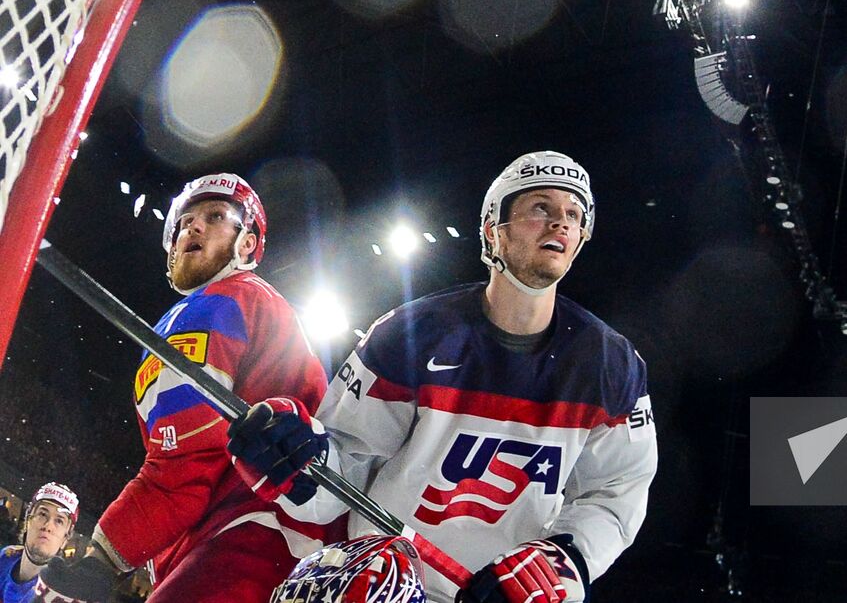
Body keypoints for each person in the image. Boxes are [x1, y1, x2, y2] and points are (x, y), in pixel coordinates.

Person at [228, 151, 658, 603]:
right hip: (387, 586)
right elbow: (346, 469)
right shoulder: (409, 335)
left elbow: (616, 491)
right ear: (494, 229)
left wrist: (563, 559)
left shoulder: (610, 364)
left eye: (573, 214)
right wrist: (298, 464)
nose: (561, 224)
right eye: (540, 208)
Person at [31, 174, 334, 603]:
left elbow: (184, 465)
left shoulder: (223, 301)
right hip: (271, 537)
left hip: (254, 535)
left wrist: (105, 556)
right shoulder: (210, 310)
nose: (193, 227)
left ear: (246, 244)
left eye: (215, 217)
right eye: (184, 222)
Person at [0, 484, 78, 603]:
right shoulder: (6, 556)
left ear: (66, 537)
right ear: (27, 520)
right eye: (42, 514)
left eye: (59, 521)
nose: (48, 526)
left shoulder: (61, 597)